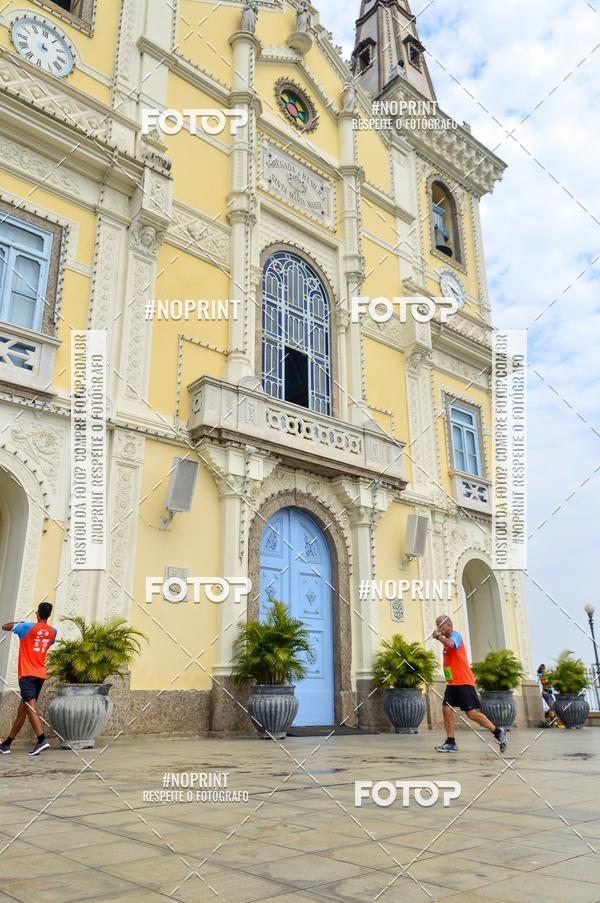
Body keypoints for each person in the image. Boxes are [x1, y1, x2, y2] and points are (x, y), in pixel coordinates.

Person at [432, 614, 507, 754]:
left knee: (472, 714)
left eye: (440, 625)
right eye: (437, 625)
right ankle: (450, 742)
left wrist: (438, 637)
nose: (438, 628)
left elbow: (451, 644)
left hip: (464, 682)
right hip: (453, 683)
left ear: (448, 624)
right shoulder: (445, 641)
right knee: (446, 709)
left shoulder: (456, 636)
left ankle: (498, 731)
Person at [0, 602, 57, 756]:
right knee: (23, 710)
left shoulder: (26, 627)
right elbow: (47, 642)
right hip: (40, 675)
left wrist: (21, 623)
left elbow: (5, 626)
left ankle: (42, 740)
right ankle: (7, 744)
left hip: (27, 674)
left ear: (38, 613)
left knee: (30, 707)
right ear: (48, 615)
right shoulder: (53, 632)